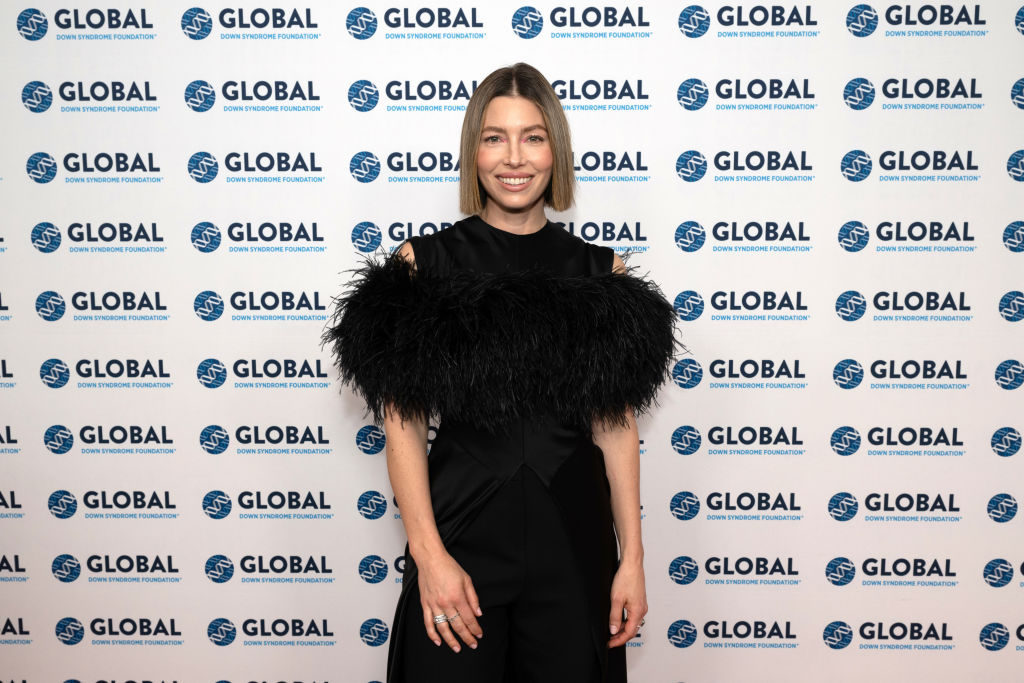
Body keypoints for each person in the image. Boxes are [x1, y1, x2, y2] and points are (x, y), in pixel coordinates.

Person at [323, 62, 680, 683]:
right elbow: (403, 426)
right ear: (474, 151)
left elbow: (615, 427)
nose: (515, 157)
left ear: (555, 150)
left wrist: (632, 560)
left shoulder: (600, 272)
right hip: (460, 539)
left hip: (573, 542)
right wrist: (429, 557)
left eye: (533, 137)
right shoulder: (424, 265)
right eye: (495, 137)